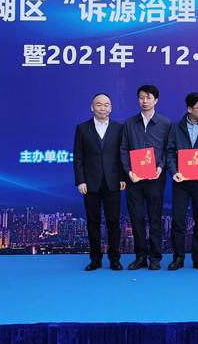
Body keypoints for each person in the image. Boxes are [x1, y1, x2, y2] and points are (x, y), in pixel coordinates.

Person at [166, 92, 198, 271]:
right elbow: (169, 151)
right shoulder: (175, 127)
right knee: (178, 221)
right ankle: (178, 258)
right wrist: (174, 172)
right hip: (181, 181)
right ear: (189, 109)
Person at [120, 85, 171, 270]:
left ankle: (155, 258)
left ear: (156, 100)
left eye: (148, 97)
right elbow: (123, 149)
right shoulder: (129, 123)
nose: (145, 101)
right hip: (134, 179)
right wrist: (129, 172)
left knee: (155, 218)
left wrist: (160, 167)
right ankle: (140, 257)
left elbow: (168, 150)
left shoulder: (165, 123)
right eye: (141, 97)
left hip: (156, 179)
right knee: (136, 218)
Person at [73, 93, 126, 271]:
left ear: (111, 108)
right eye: (99, 104)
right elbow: (78, 157)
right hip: (90, 183)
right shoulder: (82, 128)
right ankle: (95, 259)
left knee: (113, 222)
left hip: (113, 182)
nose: (103, 108)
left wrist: (122, 177)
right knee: (92, 222)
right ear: (92, 107)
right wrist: (80, 181)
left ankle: (114, 259)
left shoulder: (119, 128)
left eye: (106, 105)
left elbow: (122, 155)